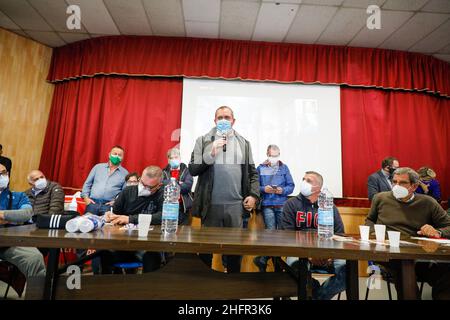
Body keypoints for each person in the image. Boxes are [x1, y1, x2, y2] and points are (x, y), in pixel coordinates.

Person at [189, 106, 260, 273]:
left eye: (227, 117)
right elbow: (193, 169)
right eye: (220, 117)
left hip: (235, 207)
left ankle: (232, 292)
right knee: (206, 252)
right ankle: (205, 289)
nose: (223, 120)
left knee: (234, 253)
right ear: (214, 120)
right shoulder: (203, 140)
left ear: (233, 121)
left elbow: (252, 173)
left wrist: (254, 195)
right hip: (210, 205)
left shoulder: (244, 143)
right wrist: (211, 153)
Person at [365, 167, 450, 300]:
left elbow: (448, 225)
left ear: (414, 186)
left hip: (418, 253)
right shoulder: (380, 198)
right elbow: (370, 219)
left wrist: (438, 232)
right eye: (394, 182)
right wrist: (372, 234)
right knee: (403, 267)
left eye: (402, 183)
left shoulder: (428, 203)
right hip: (389, 254)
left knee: (445, 271)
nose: (396, 186)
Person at [281, 171, 346, 300]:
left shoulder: (329, 206)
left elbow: (339, 234)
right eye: (303, 179)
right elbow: (287, 236)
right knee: (294, 266)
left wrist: (329, 255)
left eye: (309, 181)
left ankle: (318, 296)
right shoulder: (291, 204)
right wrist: (309, 256)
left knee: (347, 269)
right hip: (300, 253)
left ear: (318, 187)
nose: (304, 182)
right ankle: (314, 290)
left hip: (327, 253)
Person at [101, 166, 165, 273]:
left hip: (147, 243)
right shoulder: (127, 191)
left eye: (149, 187)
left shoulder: (162, 194)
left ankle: (148, 288)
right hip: (123, 241)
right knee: (104, 251)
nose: (143, 188)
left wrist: (130, 219)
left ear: (159, 185)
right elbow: (115, 213)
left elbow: (161, 217)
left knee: (152, 256)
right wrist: (110, 215)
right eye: (142, 183)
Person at [0, 161, 46, 279]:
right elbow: (17, 216)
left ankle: (36, 295)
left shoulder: (19, 196)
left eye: (4, 173)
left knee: (35, 258)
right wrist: (12, 218)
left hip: (10, 242)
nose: (2, 177)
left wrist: (3, 215)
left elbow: (26, 213)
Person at [253, 144, 295, 272]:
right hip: (267, 205)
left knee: (281, 234)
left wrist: (282, 190)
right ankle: (271, 263)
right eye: (272, 156)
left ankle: (264, 259)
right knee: (270, 232)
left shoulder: (284, 168)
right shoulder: (260, 168)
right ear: (267, 154)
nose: (274, 158)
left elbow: (291, 186)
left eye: (277, 156)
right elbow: (254, 186)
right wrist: (263, 189)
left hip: (282, 204)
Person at [81, 145, 129, 216]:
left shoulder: (125, 173)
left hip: (109, 207)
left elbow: (124, 193)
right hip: (92, 204)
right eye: (115, 154)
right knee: (86, 225)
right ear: (109, 155)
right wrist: (86, 198)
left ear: (122, 158)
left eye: (119, 155)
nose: (117, 156)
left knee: (107, 227)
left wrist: (116, 202)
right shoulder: (97, 167)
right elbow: (87, 184)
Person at [162, 148, 193, 225]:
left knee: (183, 232)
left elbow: (187, 186)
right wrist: (178, 183)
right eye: (171, 158)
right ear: (168, 160)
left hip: (183, 207)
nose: (174, 159)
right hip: (168, 208)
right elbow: (162, 185)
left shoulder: (187, 171)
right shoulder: (163, 172)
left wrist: (170, 184)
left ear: (180, 158)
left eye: (176, 157)